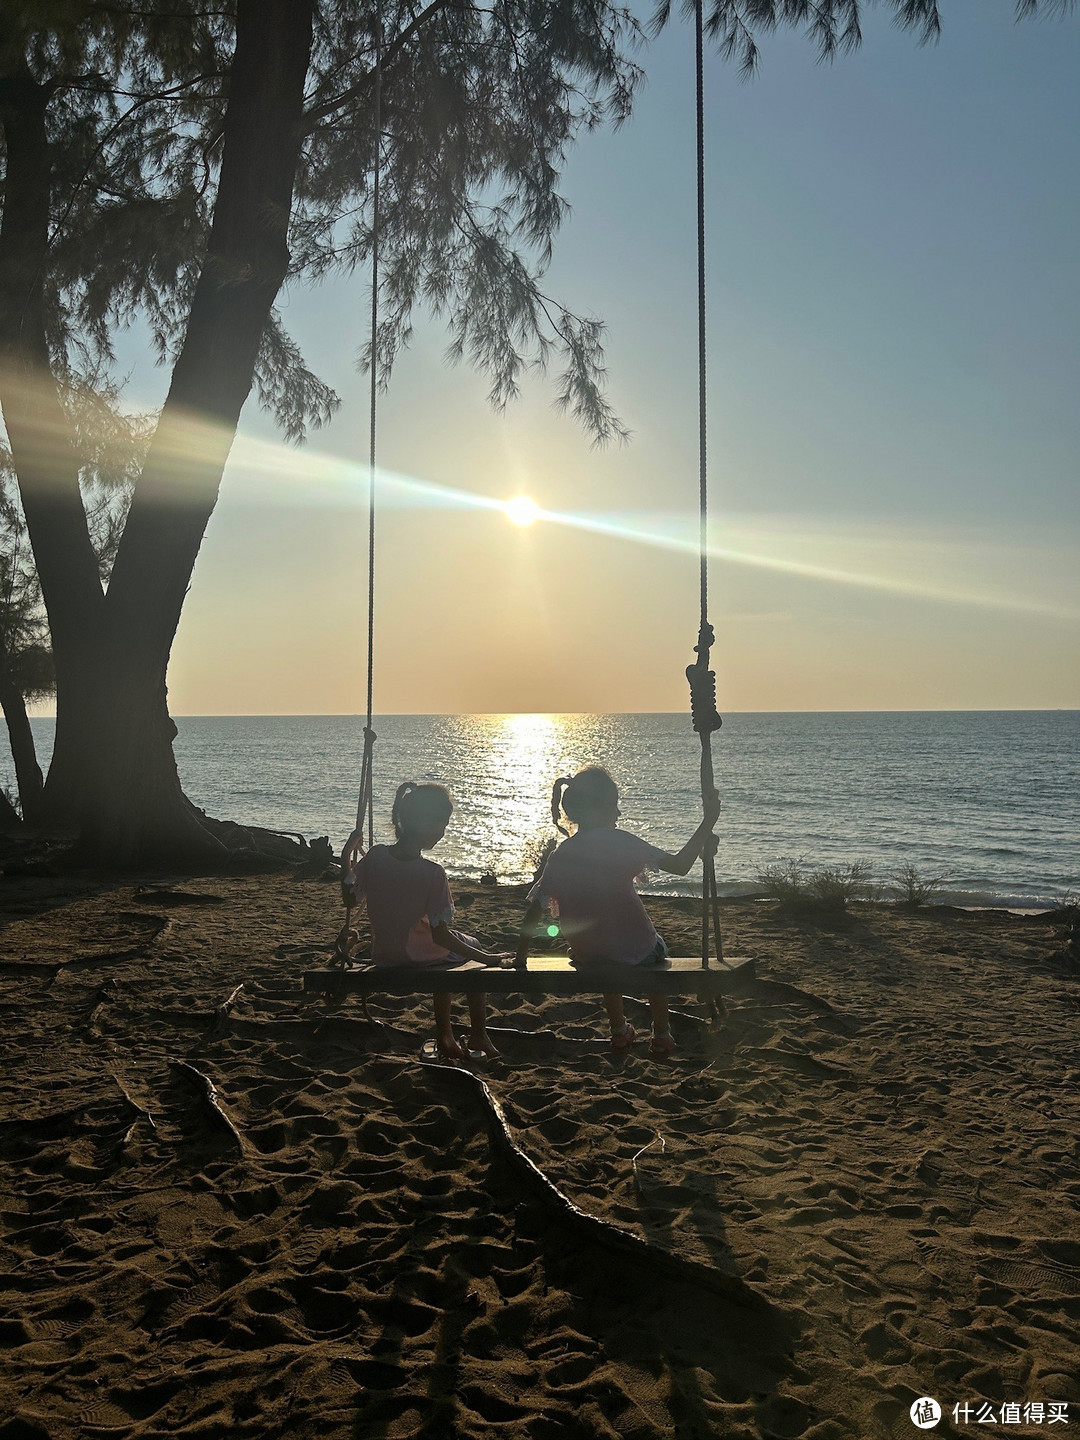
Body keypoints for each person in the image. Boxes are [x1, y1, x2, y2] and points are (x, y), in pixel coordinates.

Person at [516, 766, 720, 1058]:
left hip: (589, 953)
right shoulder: (621, 842)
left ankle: (618, 1031)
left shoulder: (562, 854)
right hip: (637, 950)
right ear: (600, 808)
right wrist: (707, 822)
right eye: (615, 806)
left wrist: (521, 958)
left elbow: (535, 909)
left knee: (605, 953)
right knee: (657, 953)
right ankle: (662, 1034)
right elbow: (680, 865)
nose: (619, 815)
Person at [343, 782, 508, 1059]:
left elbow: (350, 900)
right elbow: (440, 936)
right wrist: (488, 958)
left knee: (446, 959)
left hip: (384, 954)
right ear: (419, 822)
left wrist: (346, 855)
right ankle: (477, 1036)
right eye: (439, 824)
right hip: (418, 955)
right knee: (469, 947)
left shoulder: (376, 856)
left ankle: (445, 1036)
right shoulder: (433, 873)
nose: (442, 833)